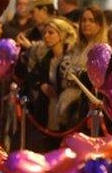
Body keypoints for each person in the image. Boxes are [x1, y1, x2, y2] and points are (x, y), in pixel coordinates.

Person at [26, 18, 78, 149]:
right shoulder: (47, 57)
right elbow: (32, 77)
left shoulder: (70, 57)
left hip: (65, 110)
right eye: (45, 33)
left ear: (62, 35)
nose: (46, 36)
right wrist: (41, 85)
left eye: (51, 33)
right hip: (48, 109)